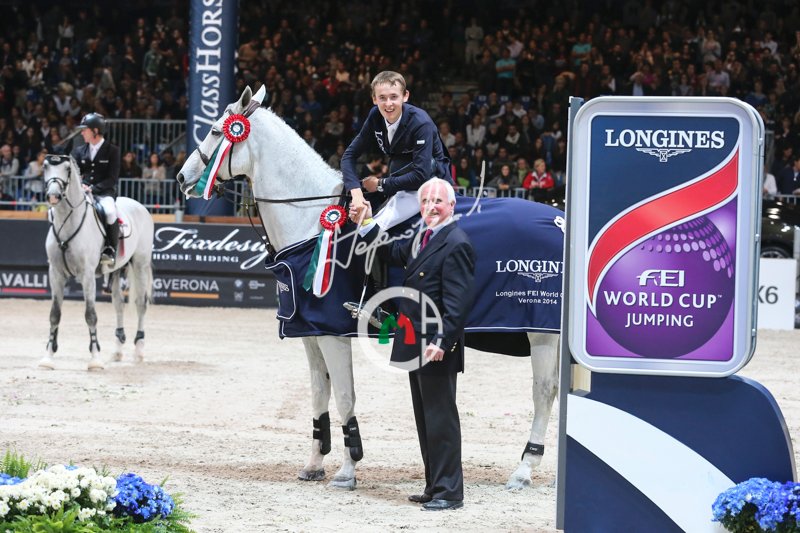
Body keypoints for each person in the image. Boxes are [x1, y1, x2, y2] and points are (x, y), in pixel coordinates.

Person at [352, 178, 475, 511]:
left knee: (441, 418)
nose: (431, 207)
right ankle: (434, 486)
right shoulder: (423, 236)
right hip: (415, 341)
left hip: (435, 346)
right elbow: (389, 251)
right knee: (426, 419)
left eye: (438, 201)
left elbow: (458, 304)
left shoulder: (456, 243)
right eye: (425, 201)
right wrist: (366, 221)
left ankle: (450, 492)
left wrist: (442, 341)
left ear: (451, 206)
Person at [342, 71, 450, 229]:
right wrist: (356, 193)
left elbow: (421, 174)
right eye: (382, 98)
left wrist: (380, 184)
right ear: (374, 99)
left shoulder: (421, 122)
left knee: (373, 226)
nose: (388, 104)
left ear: (405, 96)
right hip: (398, 179)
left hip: (429, 183)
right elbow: (349, 156)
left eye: (394, 97)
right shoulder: (375, 115)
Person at [71, 112, 120, 266]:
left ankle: (110, 249)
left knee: (110, 212)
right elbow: (74, 173)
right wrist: (80, 185)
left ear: (95, 131)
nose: (82, 133)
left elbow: (112, 178)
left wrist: (93, 188)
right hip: (83, 192)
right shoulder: (79, 150)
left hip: (104, 193)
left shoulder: (112, 150)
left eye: (84, 130)